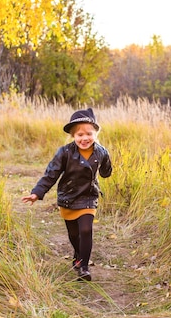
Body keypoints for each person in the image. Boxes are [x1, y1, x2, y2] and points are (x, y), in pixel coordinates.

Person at [22, 108, 112, 281]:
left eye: (89, 134)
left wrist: (106, 170)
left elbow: (106, 170)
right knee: (73, 234)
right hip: (68, 197)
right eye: (79, 135)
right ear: (73, 136)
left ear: (95, 133)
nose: (84, 138)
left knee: (86, 230)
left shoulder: (101, 152)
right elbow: (51, 175)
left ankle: (84, 267)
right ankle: (78, 255)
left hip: (88, 196)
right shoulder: (65, 152)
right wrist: (37, 193)